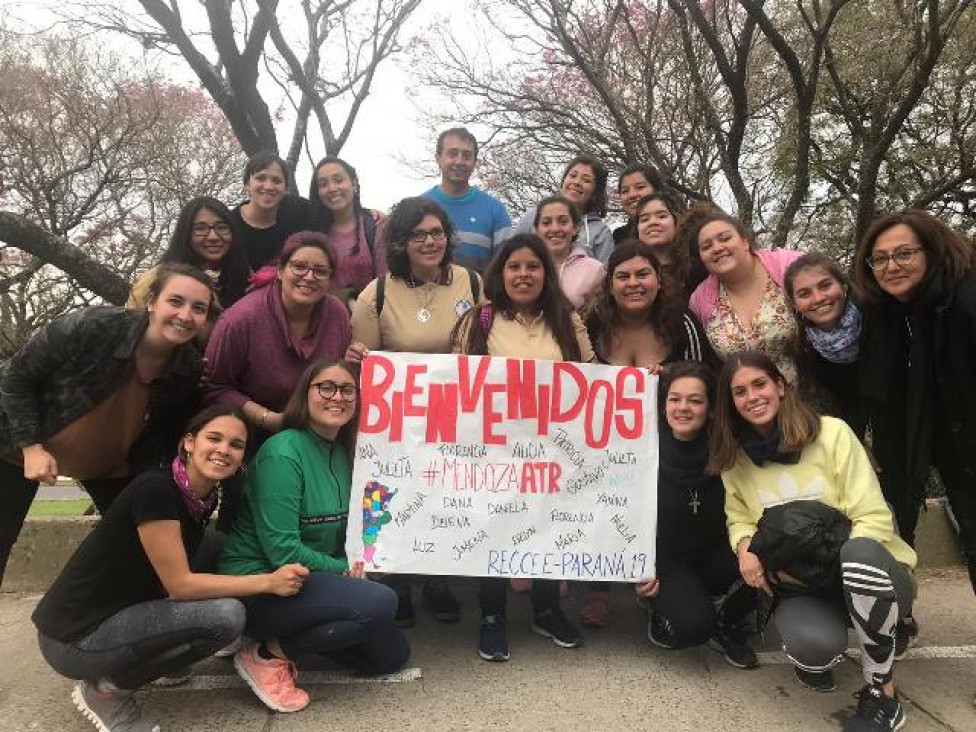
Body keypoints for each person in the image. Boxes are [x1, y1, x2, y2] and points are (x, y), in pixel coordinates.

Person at [710, 352, 917, 731]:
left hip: (865, 569)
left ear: (781, 386)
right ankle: (840, 639)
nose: (752, 396)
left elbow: (873, 517)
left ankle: (883, 693)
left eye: (760, 384)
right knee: (814, 648)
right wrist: (746, 551)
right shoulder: (735, 459)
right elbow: (738, 517)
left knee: (857, 553)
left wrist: (829, 573)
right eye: (739, 392)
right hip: (803, 583)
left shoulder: (833, 433)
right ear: (731, 404)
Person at [0, 263, 214, 585]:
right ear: (152, 301)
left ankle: (110, 623)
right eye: (176, 301)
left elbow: (158, 432)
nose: (185, 315)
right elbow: (16, 377)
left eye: (198, 309)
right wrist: (30, 447)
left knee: (142, 541)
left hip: (110, 466)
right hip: (16, 445)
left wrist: (150, 486)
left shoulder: (188, 369)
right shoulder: (92, 326)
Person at [219, 359, 409, 713]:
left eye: (347, 389)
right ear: (304, 394)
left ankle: (290, 636)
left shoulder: (341, 453)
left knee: (389, 655)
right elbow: (282, 551)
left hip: (309, 580)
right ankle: (263, 654)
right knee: (379, 603)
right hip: (262, 584)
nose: (337, 396)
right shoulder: (282, 453)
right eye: (326, 387)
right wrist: (345, 568)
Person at [453, 233, 593, 661]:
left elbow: (592, 379)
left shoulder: (568, 320)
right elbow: (456, 384)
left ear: (546, 274)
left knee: (549, 528)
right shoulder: (478, 320)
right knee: (493, 527)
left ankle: (547, 610)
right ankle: (492, 615)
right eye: (514, 266)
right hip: (494, 451)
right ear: (500, 272)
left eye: (533, 266)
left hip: (553, 451)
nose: (524, 274)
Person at [347, 196, 482, 626]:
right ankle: (396, 583)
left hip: (456, 417)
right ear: (402, 242)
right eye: (419, 234)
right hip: (398, 424)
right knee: (396, 499)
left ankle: (438, 581)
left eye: (437, 233)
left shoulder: (472, 283)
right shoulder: (378, 292)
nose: (430, 241)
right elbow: (365, 363)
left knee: (446, 498)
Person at [579, 241, 716, 627]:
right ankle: (598, 587)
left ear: (659, 280)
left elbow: (702, 379)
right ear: (610, 284)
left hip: (669, 442)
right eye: (623, 276)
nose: (633, 283)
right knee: (602, 505)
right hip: (604, 439)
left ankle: (652, 577)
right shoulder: (592, 322)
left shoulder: (682, 322)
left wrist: (671, 377)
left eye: (643, 274)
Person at [852, 209, 976, 593]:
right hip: (944, 450)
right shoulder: (887, 315)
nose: (892, 266)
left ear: (933, 251)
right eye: (881, 258)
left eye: (904, 253)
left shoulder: (967, 300)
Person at [204, 231, 351, 530]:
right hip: (253, 435)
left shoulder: (337, 314)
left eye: (320, 271)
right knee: (250, 520)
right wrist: (269, 419)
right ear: (282, 270)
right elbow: (214, 387)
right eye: (299, 267)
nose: (309, 276)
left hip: (316, 436)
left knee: (309, 518)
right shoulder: (241, 319)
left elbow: (337, 370)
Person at [635, 362, 757, 668]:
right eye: (674, 399)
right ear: (662, 404)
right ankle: (660, 606)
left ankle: (727, 620)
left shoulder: (728, 445)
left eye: (695, 400)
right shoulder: (639, 445)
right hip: (669, 560)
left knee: (773, 558)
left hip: (718, 553)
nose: (683, 408)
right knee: (693, 628)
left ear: (711, 408)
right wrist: (634, 568)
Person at [687, 206, 801, 382]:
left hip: (809, 395)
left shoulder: (789, 267)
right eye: (706, 246)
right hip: (749, 403)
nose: (717, 248)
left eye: (725, 238)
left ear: (745, 241)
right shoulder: (699, 300)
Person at [784, 253, 867, 437]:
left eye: (825, 286)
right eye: (804, 294)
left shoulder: (874, 319)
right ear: (794, 304)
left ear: (843, 286)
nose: (818, 298)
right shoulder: (805, 348)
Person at [127, 196, 251, 311]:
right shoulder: (156, 278)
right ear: (186, 234)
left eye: (222, 227)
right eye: (200, 228)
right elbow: (132, 326)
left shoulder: (246, 277)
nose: (213, 237)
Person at [422, 127, 512, 272]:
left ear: (475, 162)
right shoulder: (418, 208)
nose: (459, 161)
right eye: (452, 154)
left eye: (466, 156)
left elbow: (507, 267)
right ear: (438, 158)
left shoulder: (495, 211)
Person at [307, 156, 388, 305]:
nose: (332, 188)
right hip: (325, 321)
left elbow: (387, 284)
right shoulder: (313, 232)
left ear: (354, 184)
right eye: (323, 184)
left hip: (370, 320)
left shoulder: (376, 226)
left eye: (338, 180)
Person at [514, 155, 615, 264]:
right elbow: (512, 255)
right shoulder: (534, 215)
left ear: (595, 192)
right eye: (572, 176)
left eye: (586, 180)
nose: (576, 182)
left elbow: (606, 273)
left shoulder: (600, 232)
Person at [231, 151, 311, 270]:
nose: (268, 186)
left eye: (276, 180)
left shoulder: (300, 213)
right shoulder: (229, 225)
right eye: (260, 178)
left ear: (286, 188)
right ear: (247, 184)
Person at [533, 194, 604, 309]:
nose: (555, 229)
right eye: (546, 223)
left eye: (563, 221)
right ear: (537, 230)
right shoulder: (525, 268)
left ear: (576, 227)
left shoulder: (595, 270)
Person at [634, 191, 704, 296]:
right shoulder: (630, 271)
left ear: (677, 221)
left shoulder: (699, 267)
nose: (652, 222)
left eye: (661, 216)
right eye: (644, 219)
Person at [613, 163, 664, 244]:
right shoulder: (619, 237)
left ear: (657, 190)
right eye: (625, 191)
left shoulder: (679, 229)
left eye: (640, 187)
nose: (631, 195)